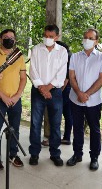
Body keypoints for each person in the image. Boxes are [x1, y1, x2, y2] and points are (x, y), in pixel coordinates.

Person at [66, 28, 102, 171]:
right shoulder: (75, 56)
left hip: (93, 101)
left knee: (94, 129)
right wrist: (79, 93)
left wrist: (87, 94)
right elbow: (71, 77)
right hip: (75, 99)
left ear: (96, 41)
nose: (87, 40)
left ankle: (94, 158)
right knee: (77, 128)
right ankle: (77, 154)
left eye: (90, 38)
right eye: (85, 37)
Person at [0, 29, 27, 170]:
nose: (9, 39)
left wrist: (17, 96)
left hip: (16, 100)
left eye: (12, 38)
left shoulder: (19, 57)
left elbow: (23, 78)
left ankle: (13, 155)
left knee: (14, 130)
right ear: (0, 39)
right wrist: (3, 96)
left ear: (15, 40)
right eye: (6, 37)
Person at [28, 24, 68, 167]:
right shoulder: (36, 49)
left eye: (51, 37)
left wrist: (48, 88)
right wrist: (41, 88)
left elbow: (62, 74)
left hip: (55, 92)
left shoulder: (62, 52)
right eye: (46, 36)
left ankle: (55, 153)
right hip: (38, 91)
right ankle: (34, 153)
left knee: (56, 124)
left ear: (57, 37)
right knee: (35, 123)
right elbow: (32, 70)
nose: (47, 39)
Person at [41, 41, 73, 146]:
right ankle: (67, 137)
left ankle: (53, 139)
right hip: (68, 90)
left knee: (55, 115)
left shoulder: (65, 57)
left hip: (62, 89)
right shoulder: (70, 56)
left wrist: (57, 92)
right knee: (68, 114)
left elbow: (66, 79)